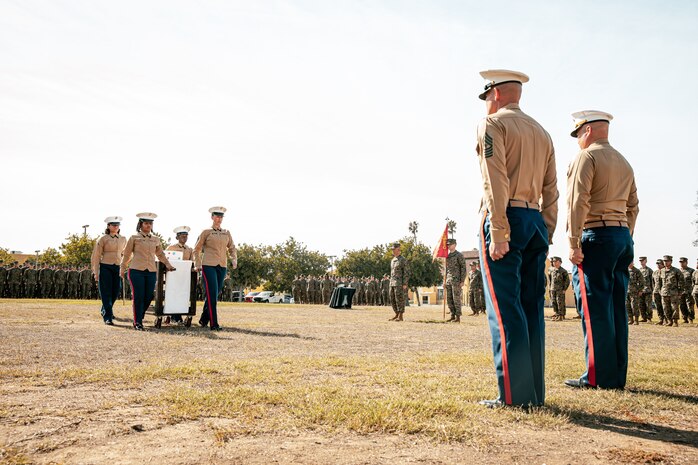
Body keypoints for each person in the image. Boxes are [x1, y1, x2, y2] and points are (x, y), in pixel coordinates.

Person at [475, 70, 558, 408]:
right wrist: (547, 230)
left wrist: (498, 231)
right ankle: (533, 394)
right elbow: (552, 189)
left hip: (506, 218)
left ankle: (513, 396)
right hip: (535, 220)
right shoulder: (543, 132)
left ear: (494, 93)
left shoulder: (493, 124)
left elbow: (495, 180)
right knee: (531, 310)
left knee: (506, 310)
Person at [565, 110, 639, 391]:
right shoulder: (624, 161)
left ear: (587, 131)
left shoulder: (587, 157)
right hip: (620, 235)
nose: (577, 140)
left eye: (577, 134)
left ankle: (597, 377)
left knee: (595, 308)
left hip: (596, 234)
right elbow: (634, 206)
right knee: (616, 309)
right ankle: (616, 376)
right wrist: (625, 234)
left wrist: (573, 243)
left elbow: (577, 202)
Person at [120, 213, 176, 330]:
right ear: (140, 224)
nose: (148, 225)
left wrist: (168, 265)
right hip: (136, 270)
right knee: (138, 296)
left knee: (149, 296)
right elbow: (126, 254)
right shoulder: (134, 238)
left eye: (150, 223)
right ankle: (138, 322)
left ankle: (139, 316)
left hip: (151, 271)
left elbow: (160, 254)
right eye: (146, 223)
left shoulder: (155, 239)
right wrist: (122, 268)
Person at [193, 207, 237, 331]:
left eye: (221, 217)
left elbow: (232, 247)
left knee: (215, 293)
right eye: (217, 216)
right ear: (212, 217)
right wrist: (197, 264)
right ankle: (214, 323)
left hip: (222, 266)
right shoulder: (206, 232)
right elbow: (196, 249)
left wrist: (234, 259)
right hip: (208, 266)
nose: (219, 219)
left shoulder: (226, 232)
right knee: (212, 294)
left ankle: (203, 319)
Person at [92, 217, 127, 324]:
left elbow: (125, 254)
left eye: (117, 225)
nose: (116, 227)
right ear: (108, 226)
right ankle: (108, 316)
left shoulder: (123, 238)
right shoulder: (103, 239)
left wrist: (124, 266)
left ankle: (105, 309)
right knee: (106, 291)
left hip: (117, 267)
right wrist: (96, 271)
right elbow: (96, 256)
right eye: (113, 225)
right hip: (105, 266)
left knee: (116, 291)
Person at [165, 226, 195, 324]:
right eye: (182, 236)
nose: (184, 238)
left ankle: (180, 315)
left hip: (184, 278)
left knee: (182, 296)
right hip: (173, 277)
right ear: (177, 237)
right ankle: (175, 316)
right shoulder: (171, 247)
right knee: (173, 295)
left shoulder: (189, 249)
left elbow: (191, 263)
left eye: (186, 236)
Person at [445, 238, 467, 322]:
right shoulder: (447, 256)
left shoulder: (459, 255)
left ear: (455, 245)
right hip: (449, 280)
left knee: (456, 298)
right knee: (449, 298)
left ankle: (458, 317)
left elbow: (463, 268)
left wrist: (462, 280)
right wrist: (445, 280)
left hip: (456, 280)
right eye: (448, 245)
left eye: (450, 244)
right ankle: (452, 315)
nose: (449, 246)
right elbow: (447, 269)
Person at [659, 255, 684, 327]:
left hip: (674, 292)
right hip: (664, 292)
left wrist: (680, 292)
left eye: (667, 261)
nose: (665, 262)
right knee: (665, 307)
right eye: (664, 261)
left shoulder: (676, 271)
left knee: (674, 307)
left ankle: (675, 321)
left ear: (671, 261)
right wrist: (660, 290)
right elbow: (660, 282)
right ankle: (669, 321)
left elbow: (681, 281)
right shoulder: (662, 271)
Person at [388, 242, 410, 321]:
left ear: (398, 249)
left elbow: (406, 272)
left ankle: (401, 315)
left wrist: (405, 283)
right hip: (392, 283)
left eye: (394, 249)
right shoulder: (393, 260)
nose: (393, 251)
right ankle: (396, 313)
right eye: (392, 249)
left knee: (399, 299)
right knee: (392, 298)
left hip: (399, 283)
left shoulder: (403, 260)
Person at [548, 257, 570, 321]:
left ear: (560, 262)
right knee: (554, 302)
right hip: (552, 289)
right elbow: (550, 279)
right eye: (553, 262)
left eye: (556, 261)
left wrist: (564, 289)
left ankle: (561, 315)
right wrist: (550, 288)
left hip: (560, 289)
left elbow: (567, 281)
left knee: (560, 302)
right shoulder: (550, 270)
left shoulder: (563, 271)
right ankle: (557, 314)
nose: (554, 263)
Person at [678, 257, 695, 324]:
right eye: (680, 262)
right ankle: (685, 319)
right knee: (682, 305)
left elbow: (694, 281)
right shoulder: (678, 271)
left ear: (686, 262)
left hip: (689, 291)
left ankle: (691, 318)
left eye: (683, 262)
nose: (681, 263)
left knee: (690, 305)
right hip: (681, 292)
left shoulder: (691, 271)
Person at [637, 257, 653, 322]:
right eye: (640, 261)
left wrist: (653, 290)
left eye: (642, 260)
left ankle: (649, 318)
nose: (641, 262)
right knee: (641, 305)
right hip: (640, 291)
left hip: (648, 290)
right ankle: (644, 318)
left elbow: (652, 281)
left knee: (648, 305)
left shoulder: (649, 270)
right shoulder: (638, 270)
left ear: (646, 261)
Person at [652, 259, 665, 325]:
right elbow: (653, 283)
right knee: (658, 306)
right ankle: (661, 319)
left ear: (663, 264)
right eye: (657, 264)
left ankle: (667, 319)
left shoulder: (666, 271)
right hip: (656, 291)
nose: (658, 265)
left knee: (665, 306)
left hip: (664, 291)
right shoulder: (655, 272)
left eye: (659, 263)